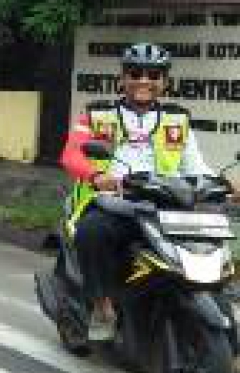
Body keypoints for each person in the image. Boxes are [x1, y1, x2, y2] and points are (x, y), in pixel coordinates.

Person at [60, 43, 218, 345]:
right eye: (135, 73)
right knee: (92, 232)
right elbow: (71, 155)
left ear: (164, 81)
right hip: (114, 204)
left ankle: (222, 336)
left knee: (207, 248)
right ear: (122, 79)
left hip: (166, 207)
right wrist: (97, 176)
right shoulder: (96, 114)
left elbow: (196, 166)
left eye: (153, 74)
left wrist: (222, 185)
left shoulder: (178, 120)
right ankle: (101, 305)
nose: (144, 81)